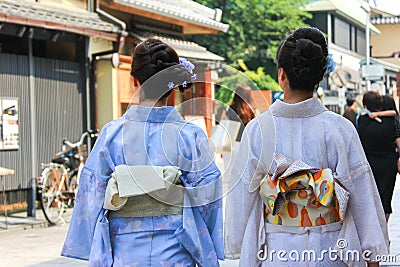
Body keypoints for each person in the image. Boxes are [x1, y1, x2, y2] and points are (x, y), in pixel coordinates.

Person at [224, 27, 388, 266]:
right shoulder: (339, 129)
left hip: (276, 252)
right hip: (329, 249)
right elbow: (361, 195)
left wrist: (236, 240)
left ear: (281, 75)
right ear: (319, 78)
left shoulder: (257, 130)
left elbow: (242, 197)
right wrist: (373, 253)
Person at [61, 38, 224, 267]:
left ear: (134, 80)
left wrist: (89, 242)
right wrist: (206, 242)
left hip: (124, 252)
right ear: (173, 84)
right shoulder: (190, 136)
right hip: (176, 249)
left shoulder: (112, 135)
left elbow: (93, 190)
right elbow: (208, 195)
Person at [357, 91, 399, 223]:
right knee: (385, 198)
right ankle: (384, 229)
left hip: (369, 162)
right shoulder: (392, 121)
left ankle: (374, 229)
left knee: (371, 198)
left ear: (365, 105)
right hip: (388, 164)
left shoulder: (362, 121)